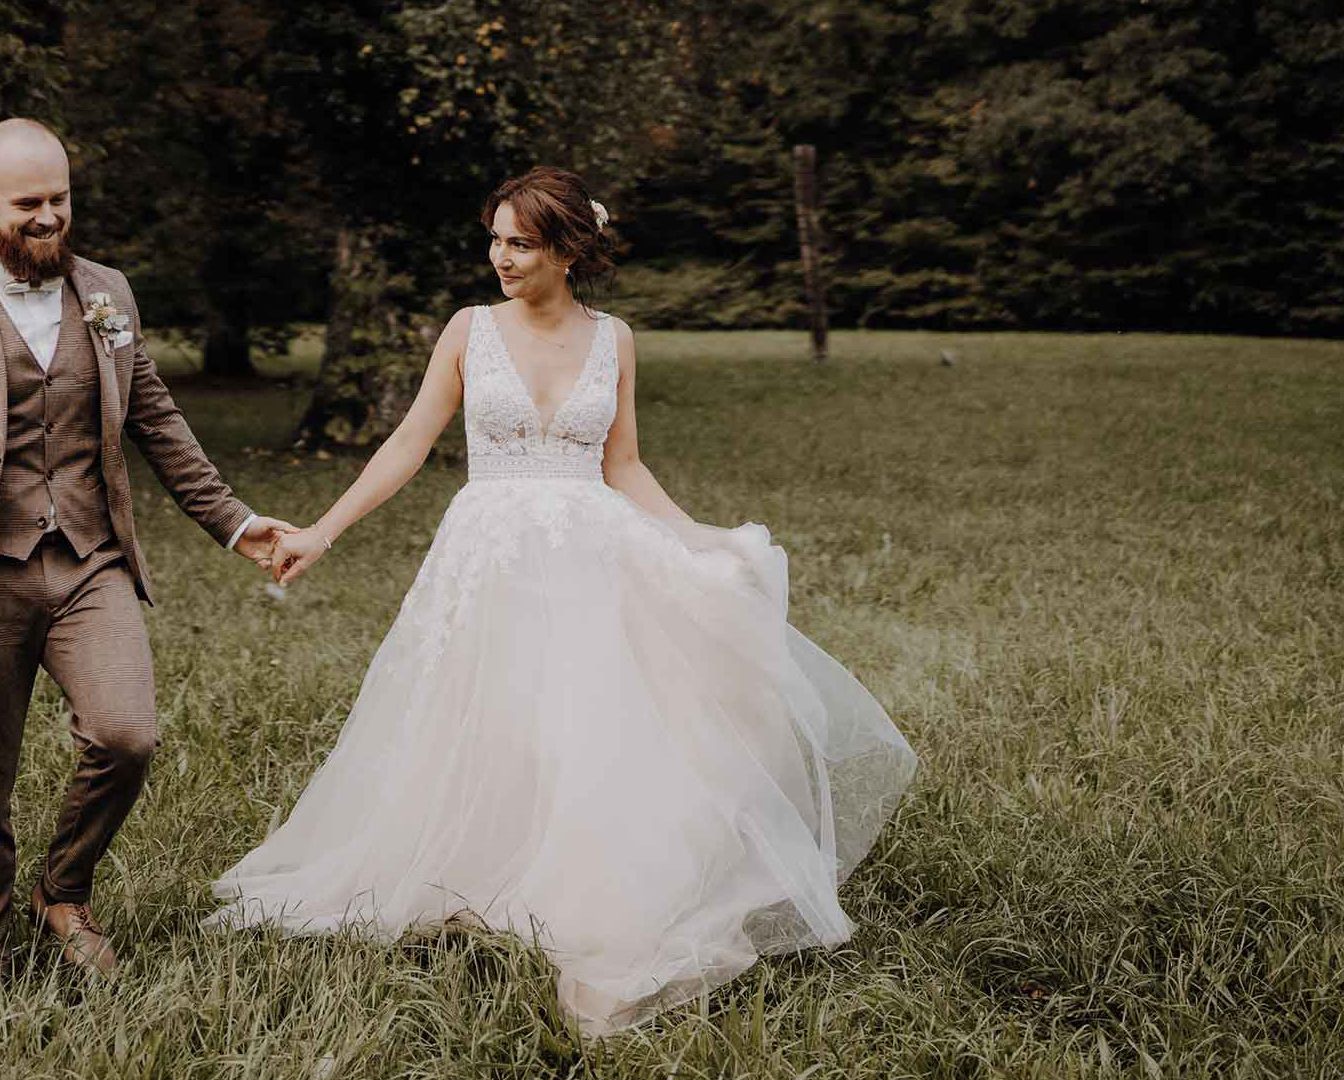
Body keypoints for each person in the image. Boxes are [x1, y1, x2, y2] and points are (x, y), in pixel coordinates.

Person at [206, 166, 919, 1035]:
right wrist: (322, 528)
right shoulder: (470, 330)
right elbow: (407, 443)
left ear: (568, 250)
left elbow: (623, 464)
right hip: (491, 553)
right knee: (487, 718)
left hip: (590, 555)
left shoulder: (614, 338)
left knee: (585, 725)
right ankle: (472, 871)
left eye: (520, 243)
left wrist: (700, 540)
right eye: (495, 239)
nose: (499, 257)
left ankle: (574, 889)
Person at [0, 118, 294, 978]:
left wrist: (236, 523)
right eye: (28, 204)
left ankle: (64, 888)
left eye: (61, 200)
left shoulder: (108, 293)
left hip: (90, 559)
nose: (49, 218)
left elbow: (154, 417)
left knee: (128, 737)